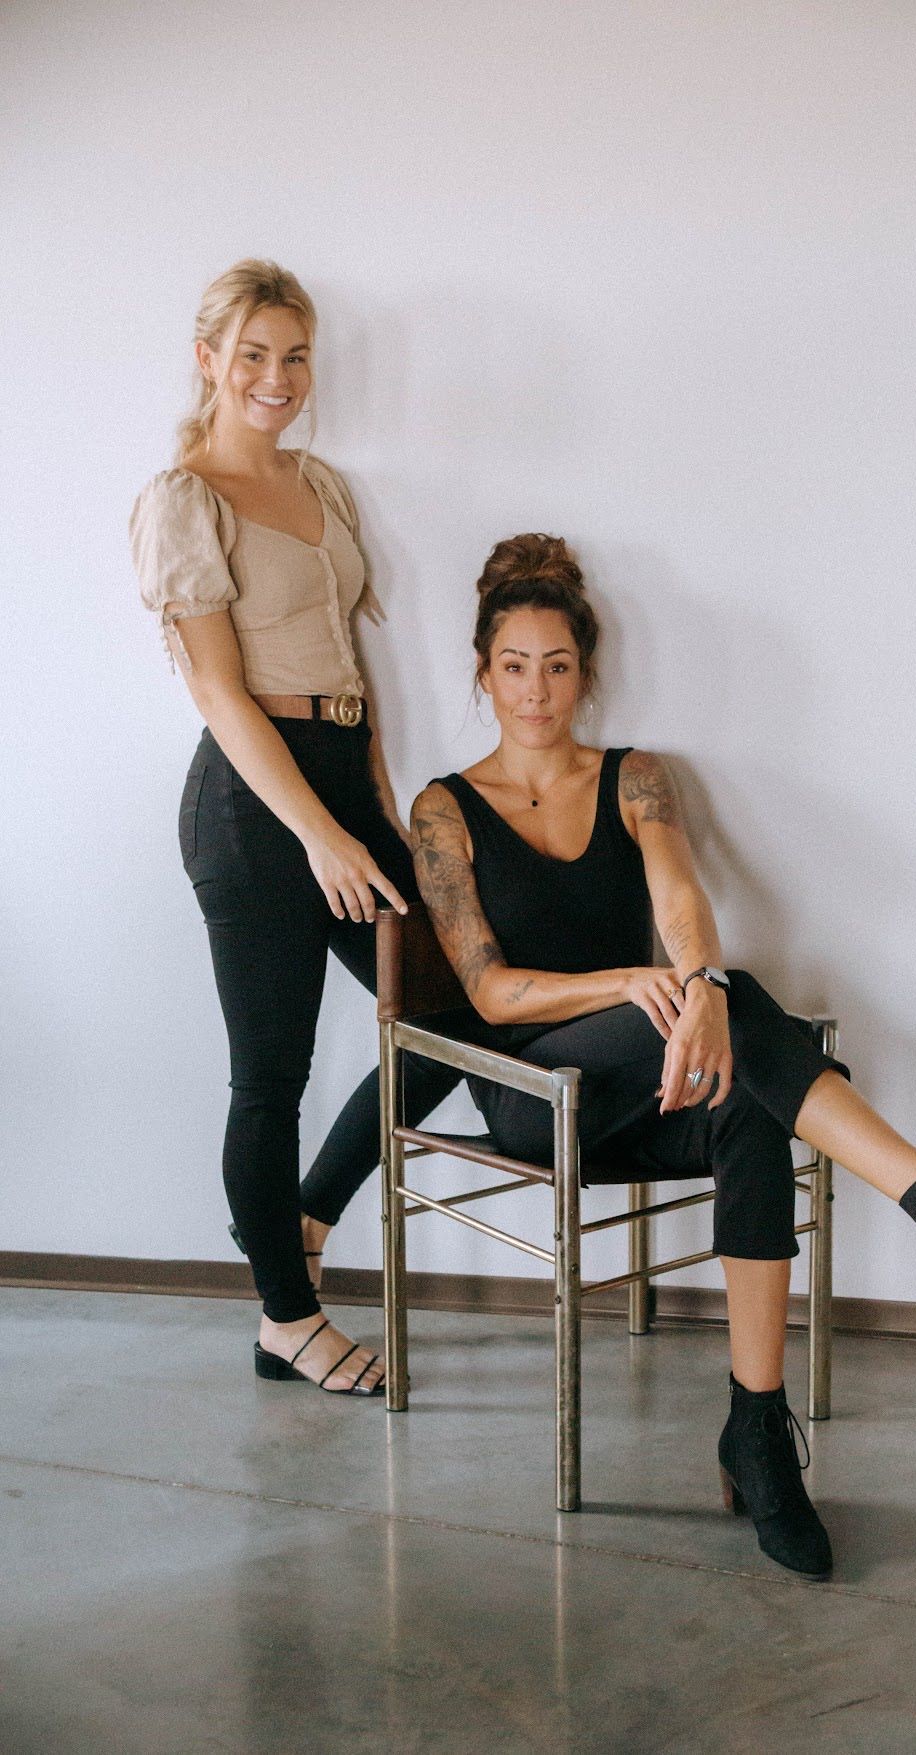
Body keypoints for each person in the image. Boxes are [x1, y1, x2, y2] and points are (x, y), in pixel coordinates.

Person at [408, 532, 916, 1578]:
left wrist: (695, 985)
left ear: (587, 676)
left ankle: (758, 1432)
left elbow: (681, 902)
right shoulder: (444, 807)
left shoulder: (634, 779)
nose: (536, 689)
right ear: (484, 673)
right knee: (733, 1010)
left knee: (746, 1091)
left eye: (557, 666)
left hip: (647, 1069)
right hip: (535, 1093)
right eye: (515, 666)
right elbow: (487, 990)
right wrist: (638, 984)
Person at [130, 260, 460, 1396]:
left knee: (447, 1012)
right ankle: (285, 1315)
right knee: (272, 1069)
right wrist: (318, 834)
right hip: (251, 801)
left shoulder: (323, 483)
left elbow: (350, 666)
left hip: (343, 782)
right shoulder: (185, 499)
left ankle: (305, 1216)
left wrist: (375, 806)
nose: (279, 377)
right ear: (210, 360)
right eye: (256, 354)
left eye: (297, 355)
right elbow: (221, 693)